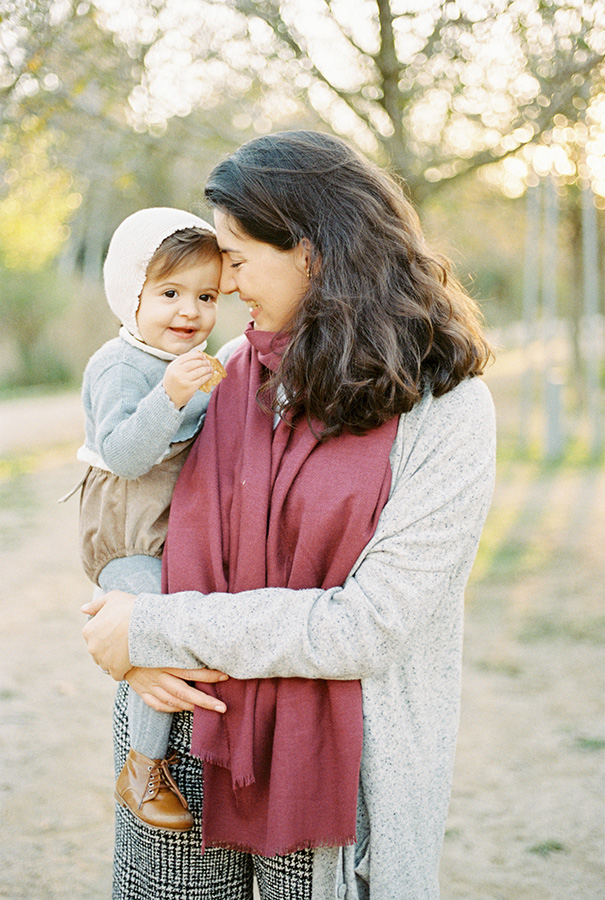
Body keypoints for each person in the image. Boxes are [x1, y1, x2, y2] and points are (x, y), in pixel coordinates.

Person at [82, 131, 496, 900]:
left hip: (332, 766)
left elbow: (369, 626)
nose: (228, 286)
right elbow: (137, 511)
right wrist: (128, 631)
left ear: (308, 250)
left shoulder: (446, 411)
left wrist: (151, 629)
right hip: (180, 736)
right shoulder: (231, 372)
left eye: (237, 259)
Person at [77, 207, 224, 832]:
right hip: (126, 523)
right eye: (169, 294)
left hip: (166, 520)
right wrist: (170, 395)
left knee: (177, 612)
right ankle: (143, 766)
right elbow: (125, 455)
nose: (188, 312)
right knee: (154, 627)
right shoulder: (121, 365)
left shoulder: (194, 361)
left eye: (207, 295)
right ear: (129, 293)